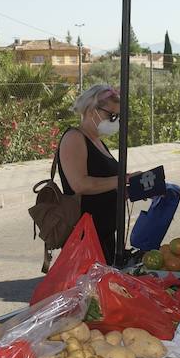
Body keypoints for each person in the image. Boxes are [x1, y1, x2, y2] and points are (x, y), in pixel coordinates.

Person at [58, 84, 136, 260]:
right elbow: (80, 184)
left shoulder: (97, 141)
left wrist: (127, 188)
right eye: (112, 115)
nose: (115, 121)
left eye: (118, 116)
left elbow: (104, 181)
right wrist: (123, 179)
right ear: (92, 110)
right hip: (85, 237)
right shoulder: (74, 137)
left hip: (104, 235)